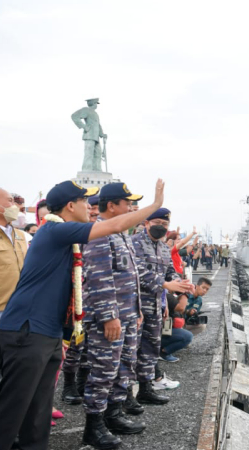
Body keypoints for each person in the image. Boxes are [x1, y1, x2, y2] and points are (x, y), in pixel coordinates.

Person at [0, 179, 165, 450]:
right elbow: (114, 225)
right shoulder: (56, 230)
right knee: (14, 406)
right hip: (27, 329)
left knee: (39, 408)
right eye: (83, 202)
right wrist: (155, 205)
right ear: (70, 206)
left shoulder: (64, 235)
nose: (89, 207)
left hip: (47, 331)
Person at [82, 182, 152, 447]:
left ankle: (113, 413)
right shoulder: (100, 232)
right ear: (111, 206)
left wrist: (135, 312)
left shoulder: (121, 232)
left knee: (123, 367)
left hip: (127, 315)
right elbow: (99, 278)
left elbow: (129, 276)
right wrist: (109, 315)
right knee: (103, 371)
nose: (131, 207)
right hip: (108, 318)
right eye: (127, 203)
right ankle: (94, 426)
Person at [131, 208, 193, 405]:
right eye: (157, 222)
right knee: (131, 350)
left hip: (156, 305)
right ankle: (124, 397)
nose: (161, 227)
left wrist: (180, 283)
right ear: (147, 223)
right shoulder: (135, 243)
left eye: (165, 224)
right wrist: (166, 285)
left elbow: (170, 271)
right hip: (135, 305)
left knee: (151, 348)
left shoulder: (164, 248)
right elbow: (136, 271)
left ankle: (145, 389)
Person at [0, 187, 28, 430]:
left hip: (19, 318)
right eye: (9, 200)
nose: (15, 204)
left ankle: (11, 431)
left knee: (15, 380)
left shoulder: (19, 235)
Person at [61, 194, 100, 406]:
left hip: (96, 299)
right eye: (90, 208)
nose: (94, 212)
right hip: (75, 300)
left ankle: (83, 382)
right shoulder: (73, 232)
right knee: (74, 346)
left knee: (90, 346)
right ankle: (68, 386)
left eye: (97, 209)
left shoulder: (100, 233)